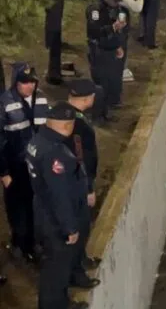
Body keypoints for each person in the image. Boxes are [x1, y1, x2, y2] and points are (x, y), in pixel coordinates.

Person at [27, 102, 97, 309]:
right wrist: (69, 227)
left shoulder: (40, 140)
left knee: (63, 263)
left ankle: (68, 291)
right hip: (56, 220)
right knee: (55, 270)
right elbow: (59, 195)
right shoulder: (53, 153)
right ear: (68, 125)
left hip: (48, 211)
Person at [0, 63, 49, 263]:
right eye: (25, 82)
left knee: (35, 205)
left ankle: (32, 242)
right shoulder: (5, 102)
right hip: (15, 166)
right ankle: (19, 242)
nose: (29, 86)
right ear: (16, 83)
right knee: (17, 206)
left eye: (32, 82)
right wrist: (3, 172)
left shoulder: (42, 99)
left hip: (36, 164)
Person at [64, 80, 103, 270]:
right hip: (77, 184)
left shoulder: (61, 113)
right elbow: (82, 159)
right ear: (88, 99)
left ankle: (79, 260)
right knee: (80, 225)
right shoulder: (79, 125)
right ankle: (77, 266)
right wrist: (88, 189)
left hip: (67, 182)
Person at [85, 0, 128, 114]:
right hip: (98, 50)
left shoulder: (114, 8)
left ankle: (107, 111)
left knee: (110, 82)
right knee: (101, 83)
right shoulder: (95, 9)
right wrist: (112, 28)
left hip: (110, 49)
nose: (116, 3)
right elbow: (94, 31)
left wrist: (117, 45)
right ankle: (98, 114)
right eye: (114, 0)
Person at [44, 0, 65, 85]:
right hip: (55, 26)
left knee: (54, 49)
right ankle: (54, 74)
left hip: (53, 26)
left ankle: (54, 74)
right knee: (55, 49)